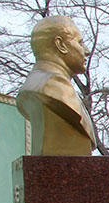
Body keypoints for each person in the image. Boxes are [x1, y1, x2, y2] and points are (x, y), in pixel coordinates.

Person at [16, 16, 97, 156]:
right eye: (80, 42)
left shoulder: (39, 85)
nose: (87, 51)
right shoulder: (50, 87)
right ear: (61, 45)